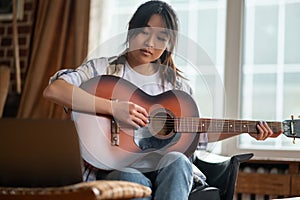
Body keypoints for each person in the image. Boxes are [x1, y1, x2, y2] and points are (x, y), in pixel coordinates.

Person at [43, 1, 278, 199]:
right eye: (144, 31)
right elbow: (55, 90)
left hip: (164, 169)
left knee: (178, 161)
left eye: (161, 37)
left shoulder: (177, 87)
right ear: (130, 30)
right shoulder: (102, 68)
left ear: (169, 44)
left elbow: (198, 136)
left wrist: (247, 129)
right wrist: (114, 108)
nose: (150, 43)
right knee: (130, 177)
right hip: (113, 166)